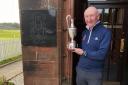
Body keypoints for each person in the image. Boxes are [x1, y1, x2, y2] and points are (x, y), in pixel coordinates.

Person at [70, 6, 112, 85]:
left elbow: (101, 55)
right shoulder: (84, 32)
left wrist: (84, 53)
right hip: (80, 70)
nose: (89, 19)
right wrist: (72, 46)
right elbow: (82, 48)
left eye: (91, 16)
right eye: (86, 16)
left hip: (95, 73)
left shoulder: (106, 32)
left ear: (98, 16)